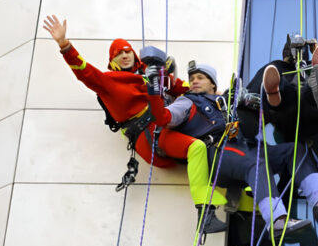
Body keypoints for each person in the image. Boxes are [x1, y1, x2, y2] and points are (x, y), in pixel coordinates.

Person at [42, 15, 229, 233]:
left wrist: (218, 93)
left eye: (127, 50)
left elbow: (184, 87)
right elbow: (84, 71)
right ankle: (205, 214)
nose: (124, 55)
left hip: (165, 127)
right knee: (196, 148)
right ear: (112, 60)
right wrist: (65, 45)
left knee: (216, 148)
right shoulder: (109, 82)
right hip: (149, 136)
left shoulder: (152, 77)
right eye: (118, 53)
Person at [145, 60, 318, 239]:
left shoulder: (225, 101)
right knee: (256, 164)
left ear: (212, 83)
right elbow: (164, 117)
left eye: (200, 77)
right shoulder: (187, 101)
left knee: (294, 150)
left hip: (242, 148)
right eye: (192, 79)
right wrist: (154, 93)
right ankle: (277, 219)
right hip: (218, 153)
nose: (194, 81)